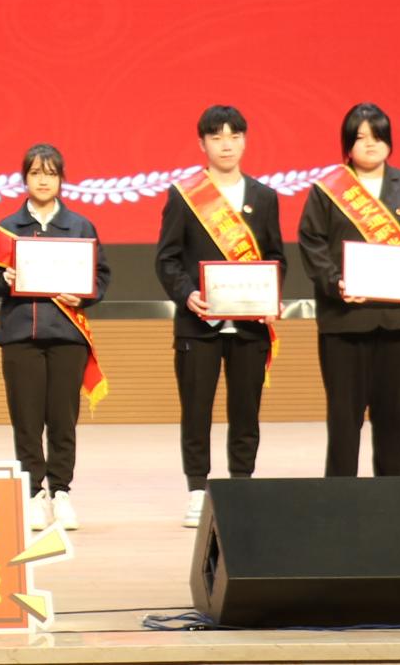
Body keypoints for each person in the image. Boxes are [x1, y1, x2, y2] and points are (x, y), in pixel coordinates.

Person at [155, 105, 284, 528]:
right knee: (196, 410)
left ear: (245, 140)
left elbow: (276, 257)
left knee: (246, 410)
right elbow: (167, 259)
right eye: (216, 137)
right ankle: (197, 490)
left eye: (234, 135)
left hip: (249, 326)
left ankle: (242, 486)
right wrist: (187, 294)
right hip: (199, 325)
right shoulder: (185, 195)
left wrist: (271, 294)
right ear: (202, 144)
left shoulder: (264, 197)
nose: (226, 144)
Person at [297, 102, 400, 480]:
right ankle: (341, 499)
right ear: (347, 144)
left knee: (395, 418)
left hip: (398, 323)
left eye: (378, 135)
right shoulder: (327, 191)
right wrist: (336, 282)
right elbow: (312, 243)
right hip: (344, 323)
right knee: (344, 421)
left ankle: (392, 499)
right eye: (360, 137)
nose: (370, 143)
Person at [0, 143, 111, 531]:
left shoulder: (80, 226)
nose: (43, 180)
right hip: (20, 335)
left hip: (66, 335)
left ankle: (61, 492)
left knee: (62, 418)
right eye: (36, 173)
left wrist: (84, 295)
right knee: (26, 419)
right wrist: (3, 279)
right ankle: (34, 494)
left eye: (51, 173)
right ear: (25, 178)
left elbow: (100, 276)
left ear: (61, 179)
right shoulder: (7, 228)